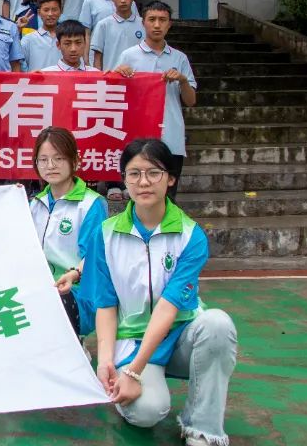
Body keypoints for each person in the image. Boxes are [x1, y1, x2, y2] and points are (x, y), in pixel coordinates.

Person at [82, 138, 236, 446]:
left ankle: (202, 429)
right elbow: (106, 304)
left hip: (180, 337)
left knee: (218, 325)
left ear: (171, 178)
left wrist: (133, 373)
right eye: (134, 173)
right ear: (124, 180)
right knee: (146, 412)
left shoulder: (190, 236)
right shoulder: (106, 234)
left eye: (154, 173)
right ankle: (138, 382)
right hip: (132, 340)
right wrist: (106, 362)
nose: (144, 182)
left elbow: (168, 308)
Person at [29, 127, 107, 337]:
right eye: (43, 160)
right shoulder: (35, 203)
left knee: (58, 300)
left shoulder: (90, 204)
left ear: (75, 161)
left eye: (59, 158)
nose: (50, 165)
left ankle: (76, 346)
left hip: (77, 293)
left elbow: (94, 257)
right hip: (41, 288)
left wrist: (74, 274)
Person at [112, 2, 197, 196]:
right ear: (143, 22)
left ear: (169, 24)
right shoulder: (129, 55)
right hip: (138, 136)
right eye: (152, 19)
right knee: (139, 194)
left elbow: (191, 101)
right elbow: (115, 95)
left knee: (169, 195)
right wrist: (118, 75)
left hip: (171, 135)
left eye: (162, 20)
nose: (157, 25)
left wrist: (183, 80)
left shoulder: (180, 58)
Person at [91, 0, 143, 70]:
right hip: (112, 77)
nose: (123, 0)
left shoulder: (144, 24)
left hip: (138, 76)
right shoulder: (103, 25)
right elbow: (97, 59)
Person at [21, 0, 63, 72]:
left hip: (62, 80)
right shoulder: (28, 39)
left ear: (61, 11)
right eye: (46, 10)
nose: (50, 14)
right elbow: (19, 67)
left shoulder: (67, 39)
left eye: (54, 10)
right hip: (36, 80)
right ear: (39, 13)